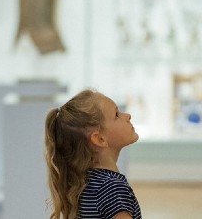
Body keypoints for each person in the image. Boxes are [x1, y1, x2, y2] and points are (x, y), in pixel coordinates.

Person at [44, 90, 142, 219]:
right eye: (116, 115)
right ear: (100, 139)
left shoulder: (83, 184)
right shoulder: (113, 189)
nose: (127, 115)